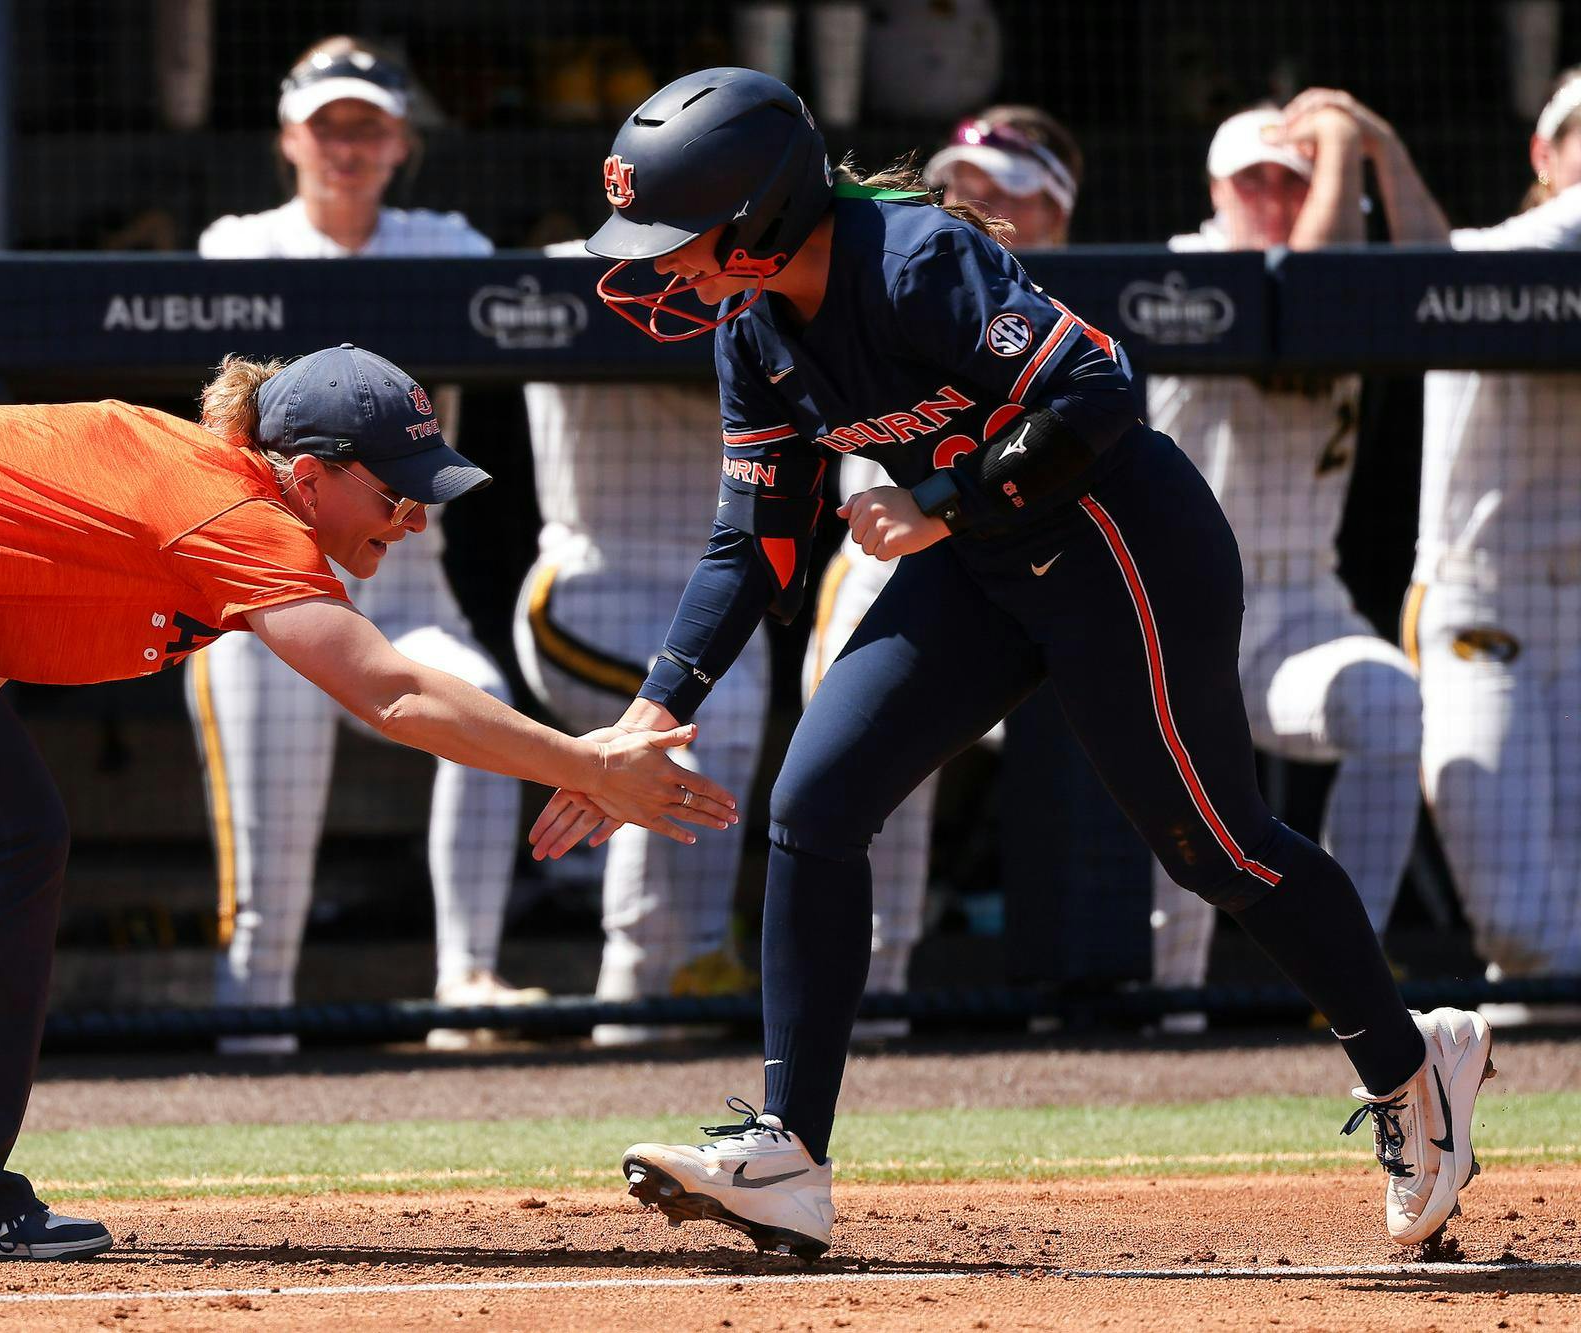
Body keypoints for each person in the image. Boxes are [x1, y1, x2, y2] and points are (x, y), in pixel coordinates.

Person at [534, 67, 1492, 1260]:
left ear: (764, 210)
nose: (659, 263)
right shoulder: (754, 331)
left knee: (1215, 846)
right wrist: (653, 708)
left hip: (1117, 544)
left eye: (679, 234)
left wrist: (942, 496)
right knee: (812, 804)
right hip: (983, 564)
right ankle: (786, 1152)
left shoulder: (912, 258)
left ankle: (1413, 1070)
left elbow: (1097, 394)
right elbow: (754, 540)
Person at [0, 345, 737, 1261]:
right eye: (396, 493)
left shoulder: (202, 481)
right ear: (312, 475)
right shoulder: (238, 510)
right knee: (3, 839)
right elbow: (394, 689)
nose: (416, 518)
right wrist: (587, 764)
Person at [193, 37, 537, 1051]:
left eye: (369, 126)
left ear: (402, 141)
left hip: (407, 582)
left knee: (488, 711)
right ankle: (249, 1040)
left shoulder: (450, 241)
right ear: (288, 136)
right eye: (328, 124)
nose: (346, 145)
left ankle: (466, 980)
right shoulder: (234, 242)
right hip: (266, 593)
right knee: (268, 868)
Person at [1146, 100, 1431, 1016]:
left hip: (1304, 599)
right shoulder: (1188, 268)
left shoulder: (1348, 269)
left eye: (1292, 178)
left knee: (1389, 701)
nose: (1270, 194)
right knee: (1178, 808)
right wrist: (1343, 140)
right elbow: (1303, 287)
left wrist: (1370, 146)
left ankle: (1350, 975)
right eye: (1251, 178)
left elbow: (1431, 268)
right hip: (1178, 598)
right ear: (1214, 189)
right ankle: (1165, 1016)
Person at [803, 106, 1082, 1039]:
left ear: (1060, 206)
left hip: (1046, 555)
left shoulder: (1064, 305)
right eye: (965, 178)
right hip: (891, 561)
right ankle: (868, 999)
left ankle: (1118, 1001)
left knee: (1117, 761)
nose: (979, 199)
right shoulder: (896, 268)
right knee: (870, 772)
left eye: (1011, 187)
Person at [1330, 70, 1581, 1025]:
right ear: (1544, 156)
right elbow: (1430, 264)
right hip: (1489, 606)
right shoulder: (1486, 259)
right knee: (1522, 927)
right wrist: (1385, 149)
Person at [513, 250, 767, 1046]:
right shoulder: (565, 275)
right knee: (677, 737)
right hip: (591, 585)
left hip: (714, 594)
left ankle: (689, 965)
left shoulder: (761, 284)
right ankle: (632, 991)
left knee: (717, 734)